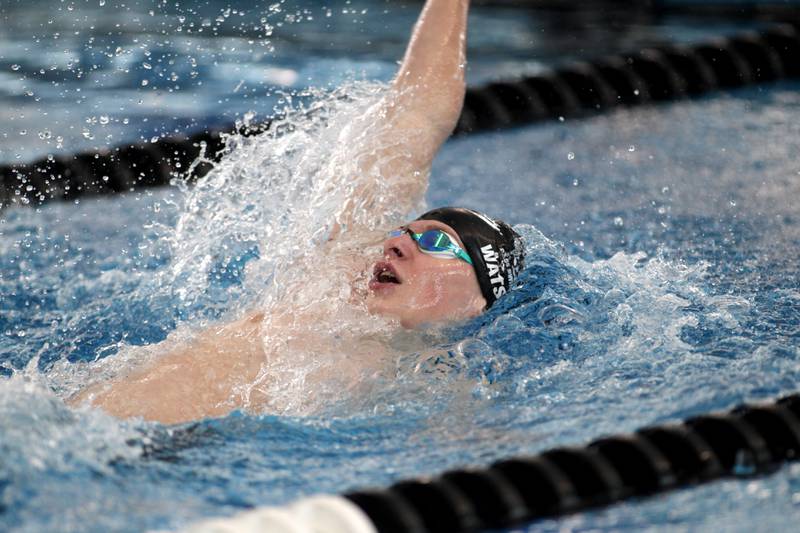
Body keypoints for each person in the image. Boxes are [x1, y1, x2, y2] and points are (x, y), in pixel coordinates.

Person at [69, 0, 524, 424]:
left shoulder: (425, 377)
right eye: (405, 231)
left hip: (137, 445)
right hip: (77, 413)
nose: (397, 241)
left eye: (437, 242)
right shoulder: (340, 275)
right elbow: (417, 113)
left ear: (476, 301)